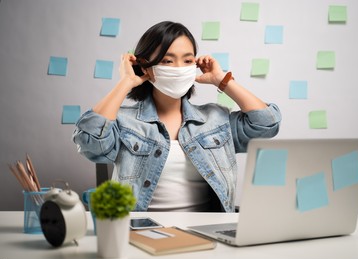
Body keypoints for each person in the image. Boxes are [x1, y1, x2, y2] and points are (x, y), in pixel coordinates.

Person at [73, 21, 281, 212]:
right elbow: (90, 143)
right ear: (146, 67)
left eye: (188, 60)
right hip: (141, 232)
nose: (179, 68)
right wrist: (126, 82)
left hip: (206, 234)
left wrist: (221, 80)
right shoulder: (123, 121)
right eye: (167, 60)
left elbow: (267, 124)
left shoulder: (215, 119)